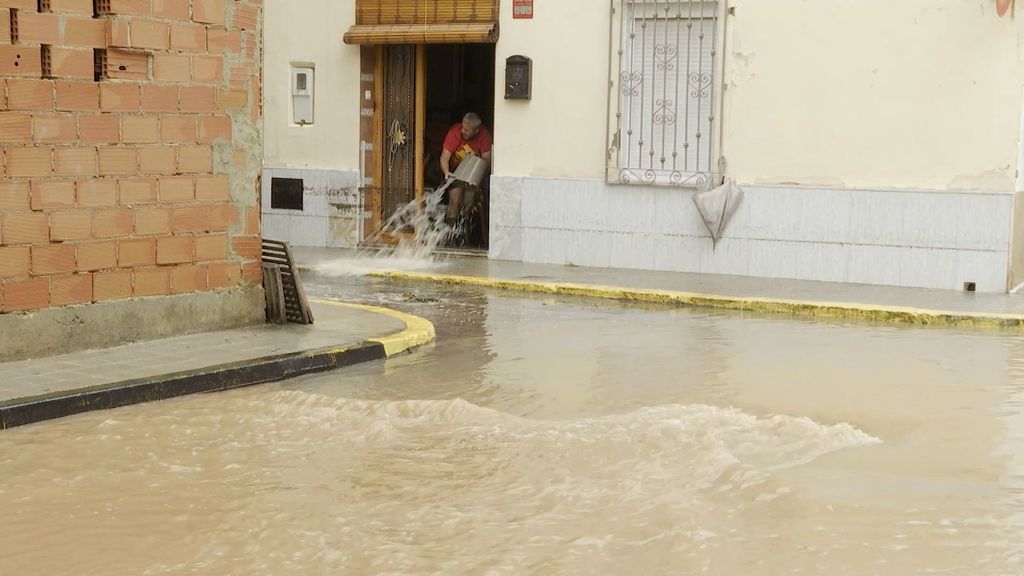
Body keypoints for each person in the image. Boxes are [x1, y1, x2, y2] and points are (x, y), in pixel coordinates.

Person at [440, 112, 492, 232]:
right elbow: (444, 157)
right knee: (455, 197)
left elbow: (487, 161)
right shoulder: (454, 133)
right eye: (462, 127)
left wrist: (476, 158)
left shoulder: (484, 136)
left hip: (474, 174)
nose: (463, 131)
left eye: (467, 130)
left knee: (468, 201)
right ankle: (449, 233)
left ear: (476, 131)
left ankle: (462, 231)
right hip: (454, 172)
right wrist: (446, 171)